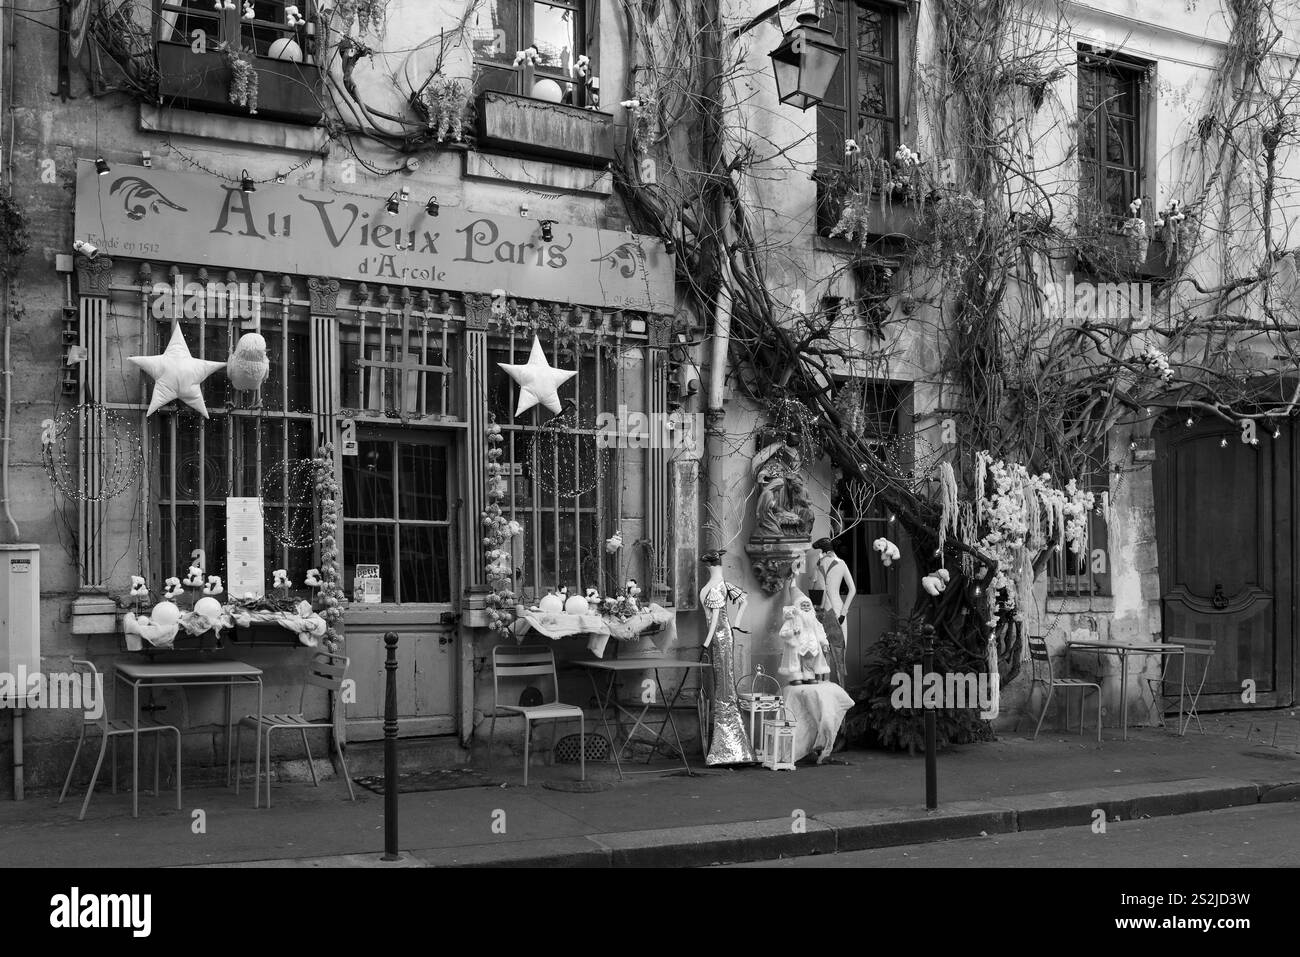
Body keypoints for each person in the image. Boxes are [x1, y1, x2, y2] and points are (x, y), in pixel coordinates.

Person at [699, 549, 756, 765]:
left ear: (710, 564)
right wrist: (737, 624)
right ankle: (733, 747)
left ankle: (728, 748)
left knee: (723, 684)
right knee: (725, 683)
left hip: (719, 639)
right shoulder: (723, 584)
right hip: (724, 636)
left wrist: (706, 642)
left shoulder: (714, 587)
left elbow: (714, 618)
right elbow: (744, 601)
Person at [812, 537, 856, 687]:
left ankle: (824, 686)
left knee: (823, 651)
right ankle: (841, 689)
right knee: (839, 651)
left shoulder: (819, 565)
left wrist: (817, 609)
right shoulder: (841, 564)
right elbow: (853, 590)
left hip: (822, 610)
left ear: (823, 550)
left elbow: (816, 589)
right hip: (838, 610)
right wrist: (844, 612)